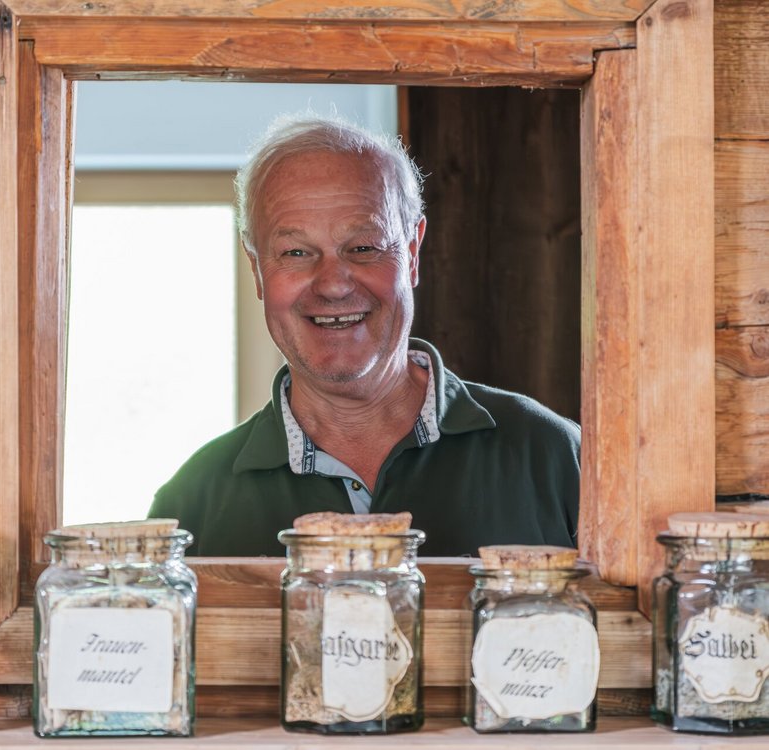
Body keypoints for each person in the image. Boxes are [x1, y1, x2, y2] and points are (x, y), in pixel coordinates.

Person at [148, 114, 580, 557]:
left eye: (363, 248)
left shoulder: (554, 456)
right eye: (295, 252)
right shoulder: (190, 503)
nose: (333, 284)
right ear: (257, 268)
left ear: (412, 252)